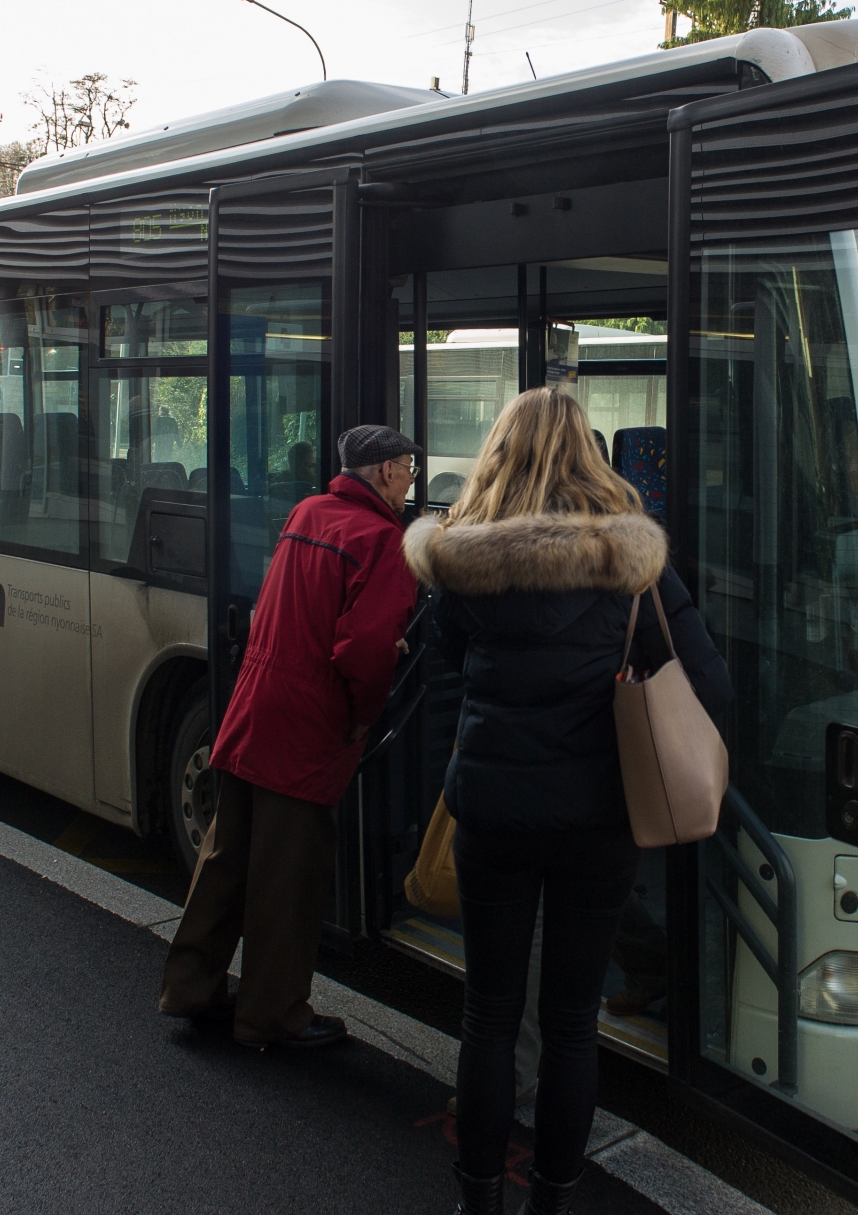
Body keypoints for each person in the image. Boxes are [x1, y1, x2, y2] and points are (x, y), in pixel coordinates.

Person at [403, 389, 730, 1215]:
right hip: (598, 821)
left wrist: (480, 726)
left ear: (498, 455)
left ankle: (477, 1201)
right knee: (573, 1023)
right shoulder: (633, 568)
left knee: (488, 1014)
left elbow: (441, 667)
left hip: (491, 814)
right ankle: (553, 1200)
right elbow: (711, 687)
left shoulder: (458, 561)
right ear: (590, 455)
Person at [157, 424, 420, 1048]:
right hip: (307, 727)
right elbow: (362, 650)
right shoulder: (383, 541)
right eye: (408, 468)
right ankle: (271, 1016)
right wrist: (364, 714)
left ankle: (190, 988)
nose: (411, 480)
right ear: (383, 471)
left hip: (255, 711)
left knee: (225, 861)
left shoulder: (307, 512)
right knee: (288, 879)